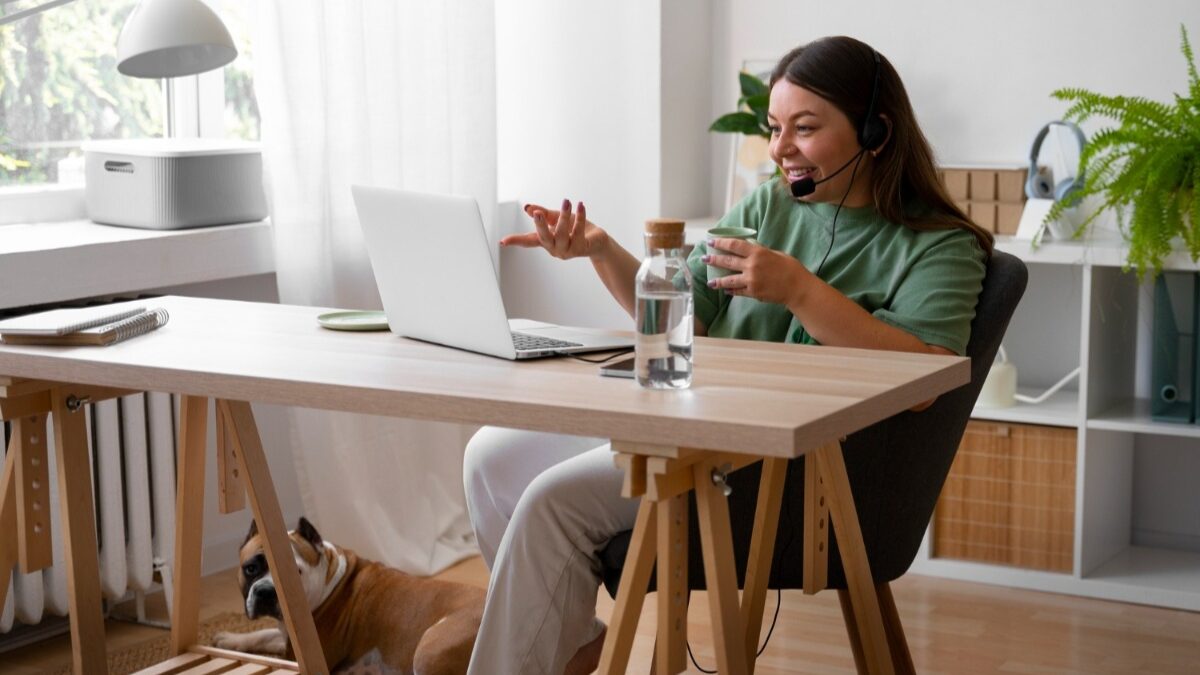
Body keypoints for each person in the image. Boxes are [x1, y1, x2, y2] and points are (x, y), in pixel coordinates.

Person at [462, 35, 993, 675]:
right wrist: (601, 250)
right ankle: (571, 647)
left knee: (553, 502)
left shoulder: (940, 245)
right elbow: (679, 313)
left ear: (876, 131)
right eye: (774, 128)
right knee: (490, 456)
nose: (780, 149)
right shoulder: (769, 205)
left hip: (797, 474)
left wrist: (800, 291)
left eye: (804, 128)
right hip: (696, 426)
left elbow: (928, 375)